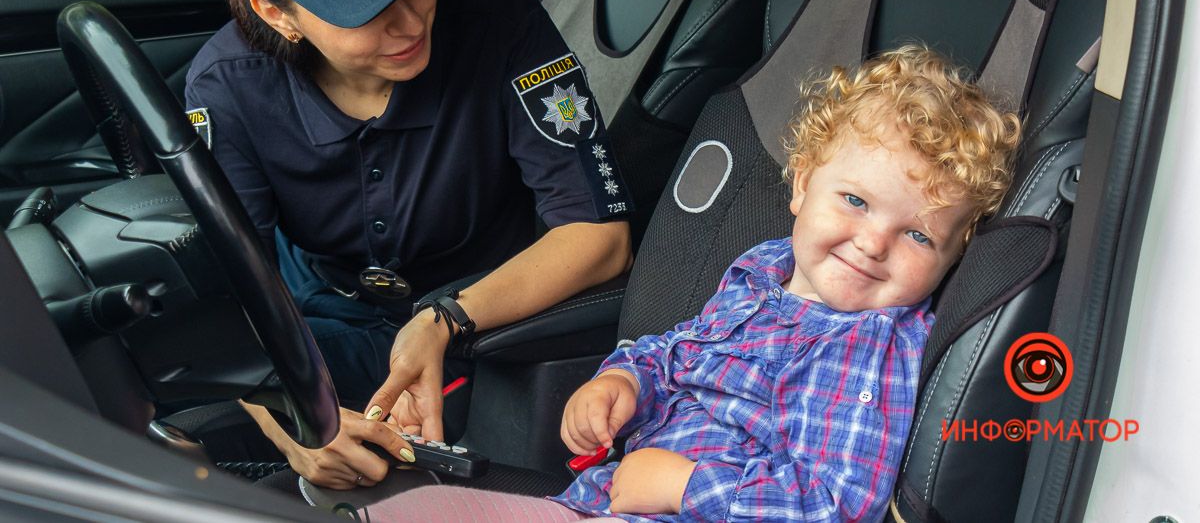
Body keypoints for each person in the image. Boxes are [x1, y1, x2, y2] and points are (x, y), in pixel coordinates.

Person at [358, 45, 1022, 521]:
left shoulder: (877, 349)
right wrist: (622, 382)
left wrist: (687, 485)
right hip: (608, 496)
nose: (873, 241)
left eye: (917, 235)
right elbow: (676, 352)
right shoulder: (762, 271)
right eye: (854, 200)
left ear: (948, 256)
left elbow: (836, 503)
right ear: (800, 185)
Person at [184, 0, 633, 489]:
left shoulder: (497, 18)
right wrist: (294, 424)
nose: (407, 19)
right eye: (360, 5)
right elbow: (233, 296)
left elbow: (600, 233)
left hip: (487, 321)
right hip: (315, 327)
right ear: (276, 14)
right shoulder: (228, 88)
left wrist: (445, 317)